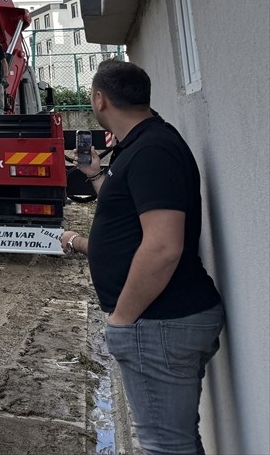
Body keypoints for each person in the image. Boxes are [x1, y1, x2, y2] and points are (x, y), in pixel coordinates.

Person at [59, 59, 223, 455]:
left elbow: (164, 246)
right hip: (164, 322)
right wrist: (97, 176)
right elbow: (131, 225)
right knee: (176, 442)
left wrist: (122, 319)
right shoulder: (143, 145)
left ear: (99, 99)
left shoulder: (152, 150)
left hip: (158, 323)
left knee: (165, 447)